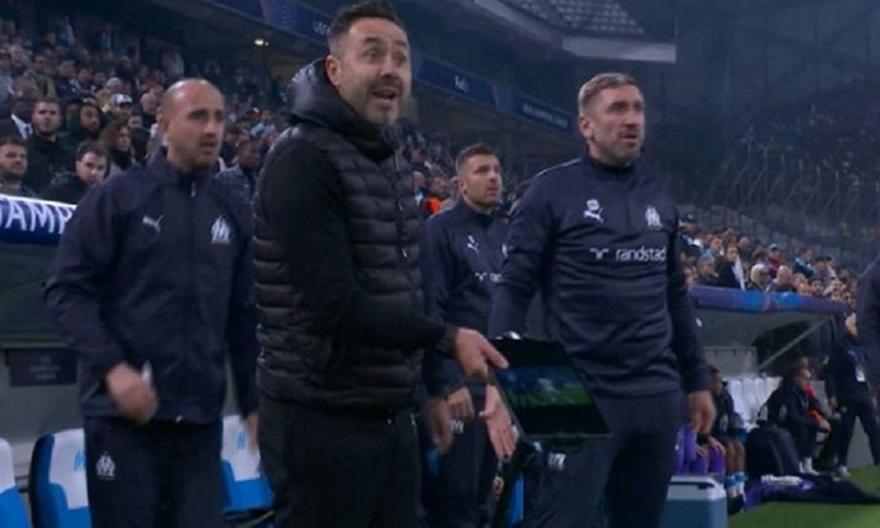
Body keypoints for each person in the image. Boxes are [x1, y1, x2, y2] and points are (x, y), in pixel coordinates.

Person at [253, 2, 507, 527]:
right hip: (321, 417)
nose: (391, 69)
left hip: (388, 413)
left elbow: (401, 291)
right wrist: (448, 338)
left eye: (401, 58)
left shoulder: (388, 159)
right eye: (373, 55)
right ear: (334, 69)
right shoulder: (302, 158)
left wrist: (425, 393)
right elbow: (335, 306)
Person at [487, 72, 715, 528]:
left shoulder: (658, 196)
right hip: (566, 387)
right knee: (560, 521)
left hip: (654, 390)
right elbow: (513, 290)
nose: (632, 119)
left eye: (638, 109)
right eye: (617, 109)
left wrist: (696, 381)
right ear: (586, 126)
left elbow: (674, 295)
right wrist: (501, 384)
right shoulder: (549, 191)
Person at [44, 79, 259, 528]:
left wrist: (254, 404)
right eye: (197, 116)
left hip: (199, 422)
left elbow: (243, 317)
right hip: (123, 421)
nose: (212, 129)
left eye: (219, 118)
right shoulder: (117, 198)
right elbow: (67, 291)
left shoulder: (233, 210)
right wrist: (113, 369)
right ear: (164, 124)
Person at [421, 143, 508, 527]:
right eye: (482, 171)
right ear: (461, 184)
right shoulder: (439, 231)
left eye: (497, 170)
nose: (493, 178)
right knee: (455, 501)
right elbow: (431, 310)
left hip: (499, 388)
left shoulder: (507, 233)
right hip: (460, 387)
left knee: (485, 499)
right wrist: (446, 384)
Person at [826, 312, 880, 476]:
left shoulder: (864, 346)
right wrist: (831, 394)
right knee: (846, 430)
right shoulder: (841, 346)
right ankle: (842, 463)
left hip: (863, 393)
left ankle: (878, 460)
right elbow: (831, 372)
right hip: (847, 394)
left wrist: (873, 390)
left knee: (873, 429)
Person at [767, 367, 831, 474]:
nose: (808, 382)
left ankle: (808, 463)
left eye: (809, 379)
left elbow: (816, 407)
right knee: (803, 428)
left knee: (818, 426)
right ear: (796, 378)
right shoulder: (788, 393)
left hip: (793, 423)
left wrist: (823, 420)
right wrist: (816, 423)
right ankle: (798, 463)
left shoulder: (803, 393)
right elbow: (792, 417)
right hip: (779, 424)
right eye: (805, 379)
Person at [709, 367, 747, 499]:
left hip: (722, 434)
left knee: (739, 447)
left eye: (721, 382)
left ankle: (740, 487)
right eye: (717, 382)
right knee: (729, 449)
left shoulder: (725, 398)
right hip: (709, 436)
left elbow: (729, 419)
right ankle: (731, 490)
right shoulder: (707, 400)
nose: (720, 385)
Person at [23, 97, 74, 192]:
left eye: (53, 113)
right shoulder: (23, 152)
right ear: (33, 117)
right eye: (42, 112)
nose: (47, 117)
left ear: (60, 120)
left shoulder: (70, 154)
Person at [42, 141, 108, 204]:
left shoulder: (107, 197)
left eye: (100, 168)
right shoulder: (57, 191)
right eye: (89, 165)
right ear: (78, 165)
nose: (94, 173)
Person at [214, 139, 261, 204]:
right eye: (252, 152)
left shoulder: (258, 180)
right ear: (240, 154)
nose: (257, 156)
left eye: (258, 153)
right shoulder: (224, 177)